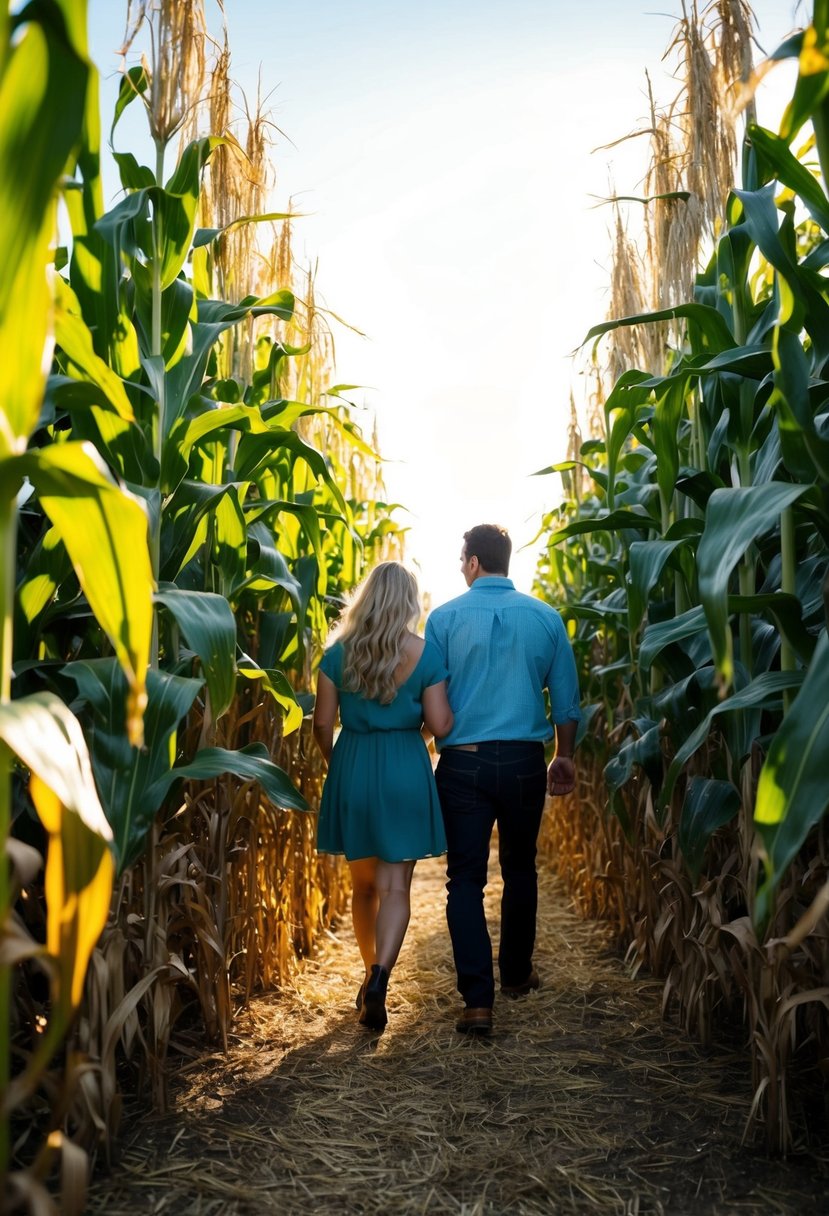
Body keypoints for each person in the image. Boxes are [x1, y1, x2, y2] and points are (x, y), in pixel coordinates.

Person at [425, 524, 580, 1037]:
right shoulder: (547, 618)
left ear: (472, 563)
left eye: (460, 559)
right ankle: (515, 974)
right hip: (523, 763)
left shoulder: (443, 619)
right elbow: (567, 700)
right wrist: (565, 755)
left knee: (465, 879)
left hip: (463, 764)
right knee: (521, 868)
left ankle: (477, 1002)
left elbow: (433, 699)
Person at [313, 561, 454, 1032]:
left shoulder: (336, 654)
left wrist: (340, 765)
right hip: (405, 771)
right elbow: (439, 726)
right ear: (409, 603)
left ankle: (368, 970)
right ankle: (380, 977)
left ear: (366, 597)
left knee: (364, 886)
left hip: (352, 765)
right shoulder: (426, 654)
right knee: (396, 887)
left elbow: (320, 724)